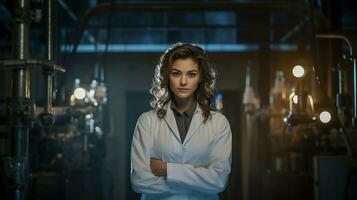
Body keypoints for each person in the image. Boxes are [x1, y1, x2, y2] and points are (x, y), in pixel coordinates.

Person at [130, 43, 232, 200]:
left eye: (191, 74)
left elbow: (218, 181)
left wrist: (167, 170)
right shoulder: (147, 122)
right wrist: (199, 179)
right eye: (176, 73)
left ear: (200, 78)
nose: (183, 81)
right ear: (167, 76)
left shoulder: (219, 123)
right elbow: (139, 181)